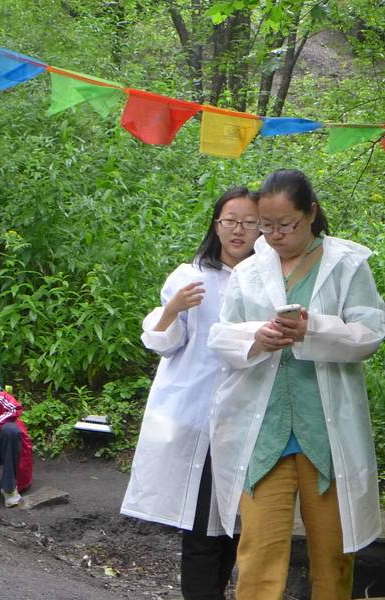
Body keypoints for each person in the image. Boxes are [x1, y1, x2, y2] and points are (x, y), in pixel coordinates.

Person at [208, 169, 385, 600]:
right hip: (263, 431)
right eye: (265, 225)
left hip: (326, 432)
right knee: (257, 556)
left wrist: (314, 330)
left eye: (285, 225)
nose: (273, 235)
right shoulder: (249, 271)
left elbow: (370, 333)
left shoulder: (346, 264)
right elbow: (222, 335)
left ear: (311, 214)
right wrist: (257, 338)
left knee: (333, 555)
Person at [121, 187, 261, 600]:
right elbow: (162, 343)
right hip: (195, 418)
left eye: (248, 222)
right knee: (201, 530)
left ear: (262, 229)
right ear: (216, 225)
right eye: (230, 220)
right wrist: (173, 309)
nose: (238, 230)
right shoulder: (190, 276)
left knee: (235, 530)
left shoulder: (266, 281)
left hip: (245, 420)